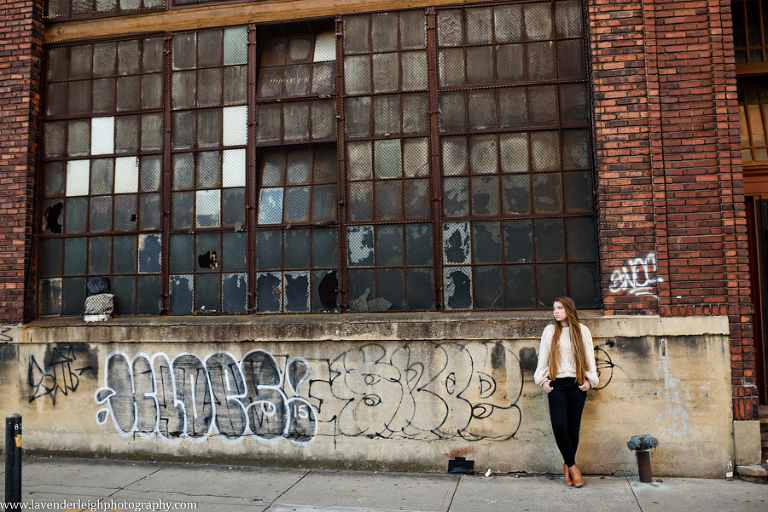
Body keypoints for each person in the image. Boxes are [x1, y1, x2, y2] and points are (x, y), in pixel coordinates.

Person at [534, 296, 598, 487]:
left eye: (560, 308)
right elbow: (542, 361)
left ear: (569, 310)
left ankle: (567, 466)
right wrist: (543, 381)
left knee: (573, 427)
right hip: (557, 385)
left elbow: (589, 359)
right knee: (559, 426)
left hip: (578, 383)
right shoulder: (550, 331)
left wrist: (590, 381)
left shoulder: (582, 331)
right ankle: (572, 465)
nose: (556, 312)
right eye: (554, 308)